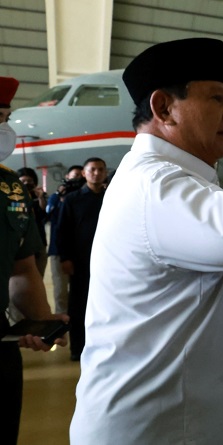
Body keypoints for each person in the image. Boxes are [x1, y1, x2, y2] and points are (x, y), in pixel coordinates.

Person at [69, 37, 223, 444]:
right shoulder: (153, 184)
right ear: (164, 108)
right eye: (217, 98)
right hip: (161, 428)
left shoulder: (170, 179)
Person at [0, 75, 67, 445]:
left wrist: (40, 321)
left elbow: (23, 269)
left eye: (5, 117)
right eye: (0, 118)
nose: (5, 129)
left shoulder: (9, 188)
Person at [57, 157, 107, 361]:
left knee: (105, 304)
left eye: (101, 170)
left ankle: (103, 347)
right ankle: (78, 349)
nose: (96, 173)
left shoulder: (112, 197)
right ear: (85, 173)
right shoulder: (72, 199)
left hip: (107, 261)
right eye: (92, 170)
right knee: (79, 306)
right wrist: (65, 258)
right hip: (80, 260)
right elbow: (62, 230)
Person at [46, 165, 83, 315]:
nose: (77, 179)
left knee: (80, 290)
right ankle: (61, 329)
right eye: (74, 176)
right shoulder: (57, 196)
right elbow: (48, 215)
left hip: (80, 251)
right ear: (67, 177)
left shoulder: (83, 196)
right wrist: (58, 195)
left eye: (80, 176)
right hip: (58, 250)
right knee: (60, 290)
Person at [16, 168, 48, 276]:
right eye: (23, 181)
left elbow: (44, 214)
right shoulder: (12, 197)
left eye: (29, 181)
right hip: (18, 244)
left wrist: (40, 198)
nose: (26, 184)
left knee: (38, 275)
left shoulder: (39, 196)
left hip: (38, 243)